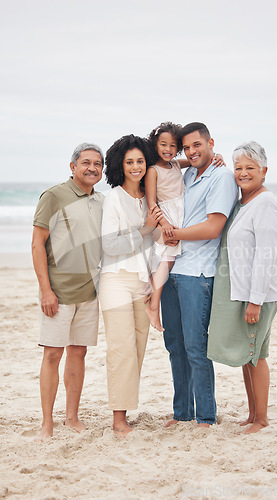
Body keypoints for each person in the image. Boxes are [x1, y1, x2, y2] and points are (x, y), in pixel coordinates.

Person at [160, 122, 238, 428]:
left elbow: (213, 227)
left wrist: (174, 233)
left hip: (197, 273)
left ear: (211, 143)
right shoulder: (189, 172)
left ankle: (206, 416)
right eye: (187, 147)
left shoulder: (222, 177)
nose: (192, 152)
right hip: (173, 269)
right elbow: (166, 164)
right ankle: (182, 414)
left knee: (195, 347)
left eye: (198, 145)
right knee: (175, 347)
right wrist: (185, 160)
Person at [207, 141, 277, 434]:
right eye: (238, 168)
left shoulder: (265, 203)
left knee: (255, 355)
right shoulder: (243, 202)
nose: (243, 173)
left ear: (264, 171)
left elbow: (267, 255)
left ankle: (262, 419)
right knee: (247, 355)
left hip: (258, 294)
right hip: (242, 291)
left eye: (250, 168)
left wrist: (256, 301)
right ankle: (253, 414)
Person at [31, 143, 104, 440]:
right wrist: (45, 290)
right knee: (52, 355)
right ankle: (47, 423)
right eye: (86, 162)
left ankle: (71, 418)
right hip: (57, 293)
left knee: (78, 354)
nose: (92, 168)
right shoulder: (54, 196)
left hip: (89, 292)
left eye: (98, 164)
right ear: (72, 166)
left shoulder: (102, 201)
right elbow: (37, 244)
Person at [99, 134, 163, 437]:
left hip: (141, 281)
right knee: (122, 349)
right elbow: (110, 245)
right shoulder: (114, 198)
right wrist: (146, 228)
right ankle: (118, 419)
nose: (135, 167)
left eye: (140, 161)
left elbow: (152, 248)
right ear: (119, 165)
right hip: (115, 280)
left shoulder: (150, 200)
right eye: (129, 162)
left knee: (137, 348)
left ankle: (124, 411)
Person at [145, 121, 225, 332]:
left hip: (180, 225)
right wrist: (165, 226)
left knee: (167, 260)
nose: (168, 150)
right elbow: (152, 203)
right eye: (163, 145)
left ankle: (152, 299)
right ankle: (153, 304)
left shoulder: (178, 166)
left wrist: (217, 156)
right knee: (167, 260)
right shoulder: (154, 170)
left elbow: (196, 161)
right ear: (155, 145)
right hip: (168, 220)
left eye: (173, 146)